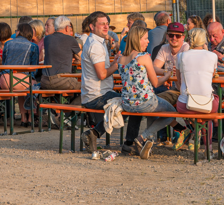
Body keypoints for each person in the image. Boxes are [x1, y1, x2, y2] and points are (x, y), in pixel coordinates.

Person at [119, 24, 176, 159]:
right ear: (137, 40)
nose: (148, 41)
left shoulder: (121, 58)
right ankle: (143, 137)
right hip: (145, 101)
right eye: (145, 38)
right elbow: (156, 83)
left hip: (127, 103)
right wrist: (167, 76)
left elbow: (147, 70)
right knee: (171, 113)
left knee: (154, 110)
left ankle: (146, 142)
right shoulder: (144, 56)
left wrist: (163, 72)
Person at [81, 11, 120, 153]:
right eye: (102, 24)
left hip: (97, 93)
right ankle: (94, 134)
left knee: (130, 101)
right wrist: (116, 66)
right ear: (92, 26)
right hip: (96, 96)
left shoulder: (98, 42)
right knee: (130, 103)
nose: (106, 27)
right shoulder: (95, 45)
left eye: (107, 24)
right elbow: (102, 74)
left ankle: (94, 134)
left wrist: (113, 63)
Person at [175, 27, 220, 146]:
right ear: (204, 40)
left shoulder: (181, 56)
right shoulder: (212, 56)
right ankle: (208, 147)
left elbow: (178, 81)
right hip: (206, 104)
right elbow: (212, 76)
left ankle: (193, 130)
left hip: (185, 104)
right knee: (208, 113)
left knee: (180, 101)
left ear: (190, 40)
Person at [0, 21, 41, 127]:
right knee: (32, 84)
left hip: (5, 81)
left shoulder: (8, 43)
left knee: (21, 85)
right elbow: (34, 69)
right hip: (22, 81)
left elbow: (4, 63)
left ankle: (23, 118)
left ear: (19, 32)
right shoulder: (33, 46)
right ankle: (30, 117)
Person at [40, 16, 82, 92]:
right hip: (62, 80)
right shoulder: (70, 39)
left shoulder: (47, 39)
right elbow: (82, 58)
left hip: (45, 81)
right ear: (66, 28)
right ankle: (73, 104)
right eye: (70, 27)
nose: (70, 29)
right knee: (86, 87)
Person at [152, 22, 188, 105]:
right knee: (153, 99)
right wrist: (166, 74)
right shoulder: (164, 48)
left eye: (177, 36)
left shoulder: (186, 48)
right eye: (171, 35)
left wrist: (167, 75)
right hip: (173, 88)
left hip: (185, 91)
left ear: (183, 37)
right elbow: (154, 67)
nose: (174, 38)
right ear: (167, 36)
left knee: (156, 101)